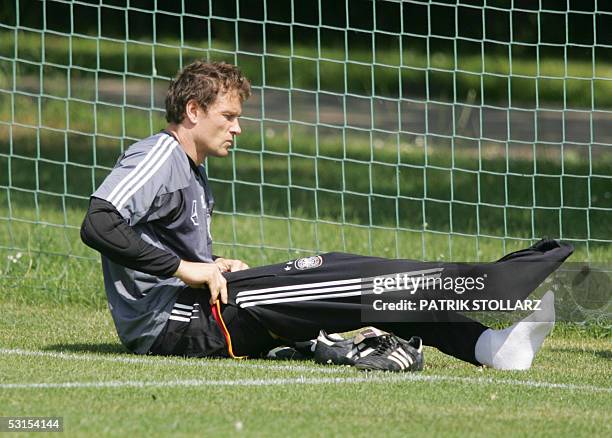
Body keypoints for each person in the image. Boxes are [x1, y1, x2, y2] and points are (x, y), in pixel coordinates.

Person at [81, 60, 573, 371]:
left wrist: (210, 261)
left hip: (198, 309)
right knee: (340, 275)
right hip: (177, 322)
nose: (238, 128)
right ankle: (489, 283)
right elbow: (99, 221)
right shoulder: (159, 155)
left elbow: (158, 242)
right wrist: (186, 268)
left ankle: (491, 347)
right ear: (192, 110)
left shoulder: (192, 169)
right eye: (228, 117)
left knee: (351, 284)